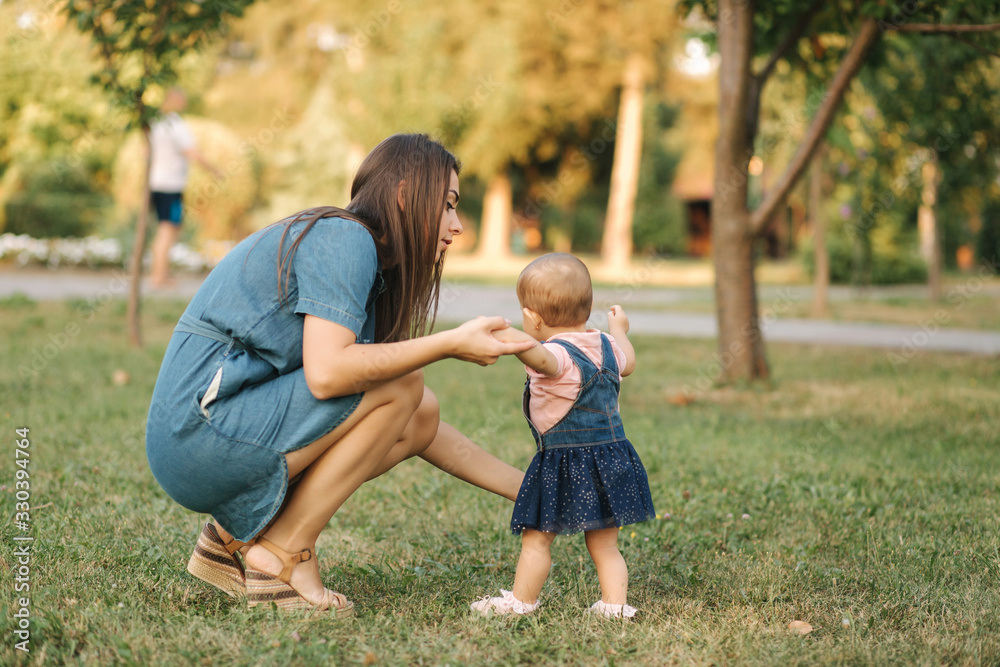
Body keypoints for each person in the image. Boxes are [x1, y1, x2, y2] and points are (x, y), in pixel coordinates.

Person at [146, 134, 534, 614]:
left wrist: (534, 488)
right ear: (405, 195)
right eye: (448, 205)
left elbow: (419, 425)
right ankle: (284, 553)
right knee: (402, 385)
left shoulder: (365, 259)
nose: (456, 226)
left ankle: (228, 538)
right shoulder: (345, 238)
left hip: (208, 437)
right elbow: (328, 375)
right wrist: (449, 343)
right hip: (197, 436)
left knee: (418, 409)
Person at [470, 254, 656, 619]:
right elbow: (629, 363)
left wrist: (496, 331)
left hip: (564, 462)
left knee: (537, 538)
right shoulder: (605, 344)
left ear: (534, 318)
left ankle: (521, 603)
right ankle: (614, 606)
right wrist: (620, 330)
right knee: (605, 545)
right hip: (611, 458)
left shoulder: (556, 355)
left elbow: (537, 356)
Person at [148, 87, 220, 288]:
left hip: (157, 183)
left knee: (166, 229)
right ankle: (159, 277)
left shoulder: (155, 123)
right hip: (171, 186)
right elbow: (192, 152)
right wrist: (215, 171)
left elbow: (145, 151)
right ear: (175, 100)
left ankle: (160, 274)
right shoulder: (175, 124)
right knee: (168, 230)